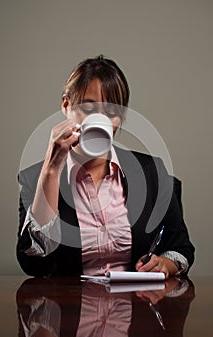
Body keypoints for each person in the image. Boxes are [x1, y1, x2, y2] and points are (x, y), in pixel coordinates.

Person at [17, 55, 195, 278]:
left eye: (112, 113)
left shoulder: (151, 173)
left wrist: (165, 264)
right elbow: (33, 263)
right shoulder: (36, 177)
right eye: (88, 109)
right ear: (66, 105)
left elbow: (182, 250)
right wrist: (52, 169)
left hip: (137, 307)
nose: (101, 120)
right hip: (69, 308)